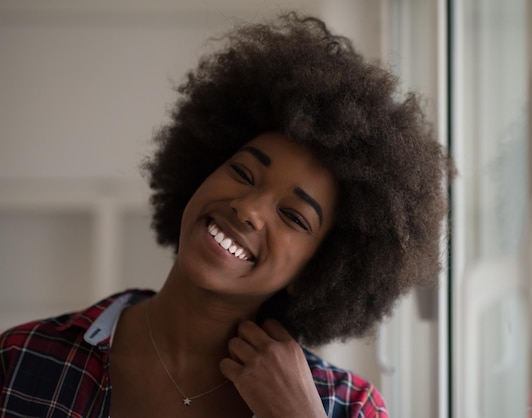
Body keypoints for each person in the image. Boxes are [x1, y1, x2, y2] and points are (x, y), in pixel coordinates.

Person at [0, 12, 451, 418]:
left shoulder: (347, 407)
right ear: (199, 170)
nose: (248, 209)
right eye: (242, 171)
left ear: (322, 269)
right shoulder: (22, 358)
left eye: (294, 216)